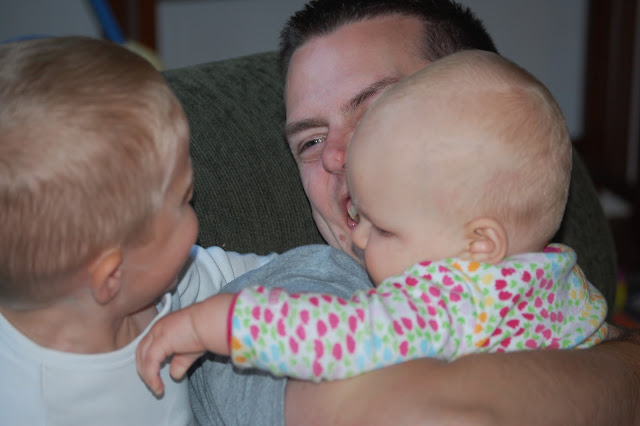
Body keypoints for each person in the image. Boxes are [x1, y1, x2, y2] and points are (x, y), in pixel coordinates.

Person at [183, 1, 640, 425]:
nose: (338, 156)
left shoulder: (548, 275)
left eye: (377, 110)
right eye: (312, 141)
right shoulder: (296, 292)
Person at [136, 49, 609, 390]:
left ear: (479, 245)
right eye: (311, 142)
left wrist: (214, 324)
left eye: (383, 229)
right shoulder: (564, 280)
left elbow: (339, 336)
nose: (361, 237)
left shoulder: (452, 301)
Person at [0, 36, 275, 424]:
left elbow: (246, 275)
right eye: (185, 200)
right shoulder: (36, 406)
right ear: (112, 276)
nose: (195, 208)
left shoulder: (158, 282)